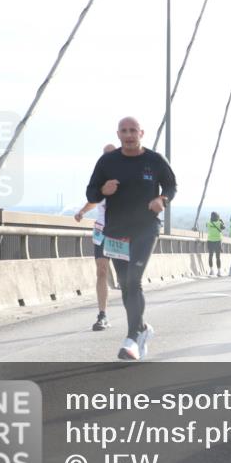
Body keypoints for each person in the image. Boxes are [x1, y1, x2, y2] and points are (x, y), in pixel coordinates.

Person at [86, 117, 176, 361]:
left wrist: (162, 200)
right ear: (118, 134)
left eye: (133, 130)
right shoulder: (107, 161)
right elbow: (91, 191)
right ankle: (142, 328)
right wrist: (103, 191)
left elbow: (171, 186)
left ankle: (132, 338)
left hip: (146, 229)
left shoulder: (154, 160)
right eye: (124, 131)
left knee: (134, 280)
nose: (129, 135)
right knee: (125, 284)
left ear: (141, 133)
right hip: (116, 232)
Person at [74, 143, 117, 330]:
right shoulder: (99, 179)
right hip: (102, 230)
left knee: (128, 277)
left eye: (111, 155)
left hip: (123, 232)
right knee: (101, 270)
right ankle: (102, 315)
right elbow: (95, 200)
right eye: (104, 156)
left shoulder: (125, 177)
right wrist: (83, 211)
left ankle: (135, 316)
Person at [205, 211, 225, 277]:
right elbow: (223, 227)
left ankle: (211, 270)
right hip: (217, 241)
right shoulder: (219, 223)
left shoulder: (208, 223)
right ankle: (219, 272)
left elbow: (206, 225)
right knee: (218, 257)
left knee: (210, 256)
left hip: (210, 241)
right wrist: (221, 221)